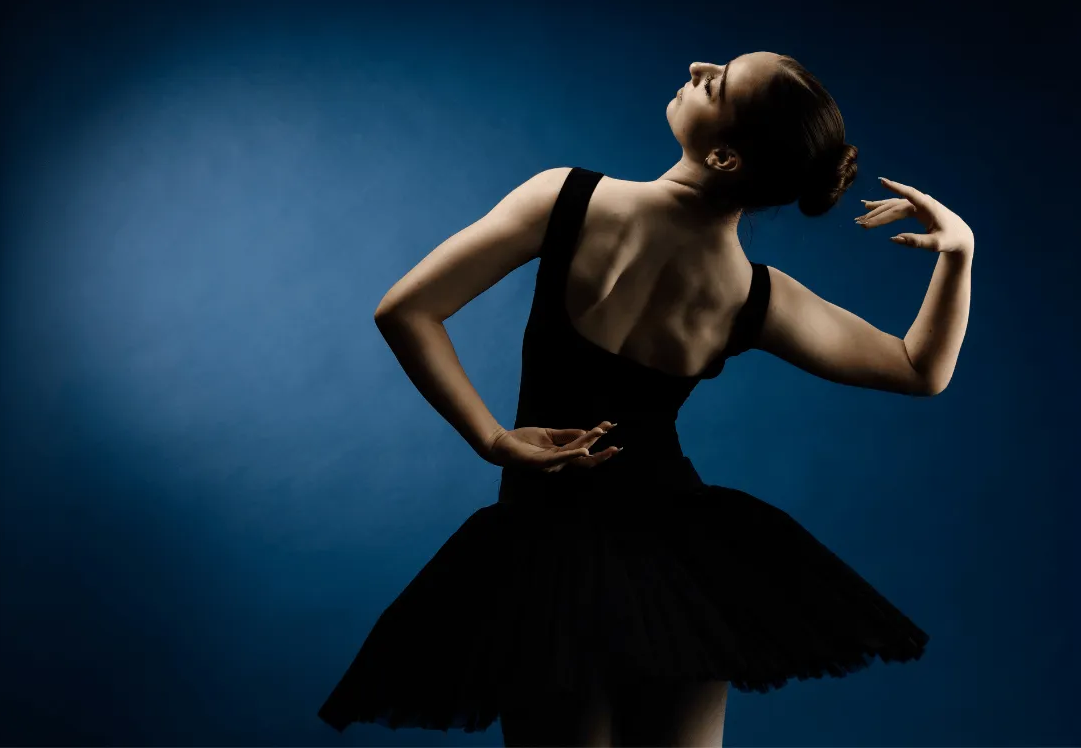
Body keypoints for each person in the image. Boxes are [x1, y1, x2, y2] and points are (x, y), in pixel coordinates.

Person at [317, 51, 972, 747]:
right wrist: (957, 252)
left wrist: (493, 440)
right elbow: (917, 367)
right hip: (677, 553)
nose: (698, 66)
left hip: (542, 541)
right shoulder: (755, 297)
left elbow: (405, 311)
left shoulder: (563, 199)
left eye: (717, 83)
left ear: (723, 158)